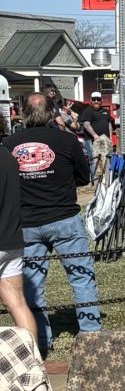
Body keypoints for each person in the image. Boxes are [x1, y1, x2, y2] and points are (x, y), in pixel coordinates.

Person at [5, 93, 98, 354]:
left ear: (23, 114)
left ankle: (42, 340)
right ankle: (90, 337)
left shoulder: (9, 144)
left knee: (33, 285)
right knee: (81, 278)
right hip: (64, 219)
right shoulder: (68, 140)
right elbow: (84, 176)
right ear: (51, 113)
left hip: (27, 223)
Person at [0, 137, 38, 348]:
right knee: (17, 303)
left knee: (17, 302)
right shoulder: (8, 156)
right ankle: (31, 359)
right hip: (11, 239)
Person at [82, 92, 112, 180]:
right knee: (94, 160)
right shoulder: (87, 111)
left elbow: (109, 124)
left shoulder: (105, 111)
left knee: (106, 159)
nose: (96, 101)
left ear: (101, 101)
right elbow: (86, 124)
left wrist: (110, 137)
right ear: (90, 100)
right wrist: (95, 135)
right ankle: (94, 181)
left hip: (105, 140)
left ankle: (104, 180)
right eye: (94, 99)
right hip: (92, 140)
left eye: (98, 99)